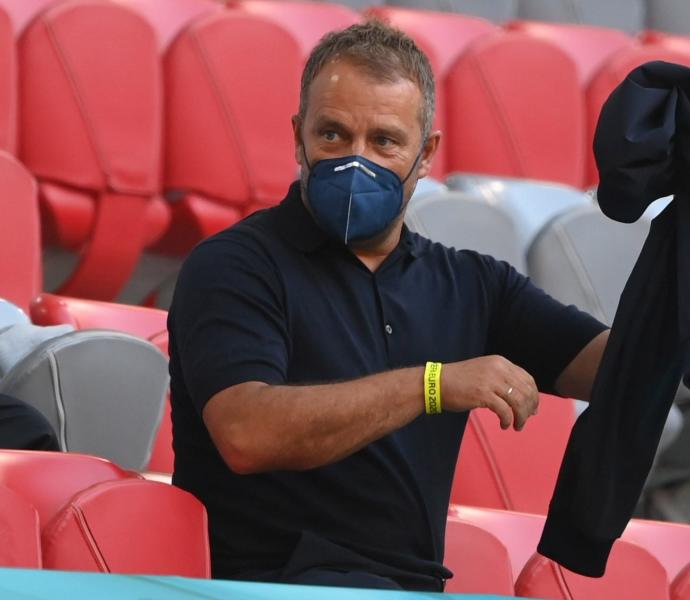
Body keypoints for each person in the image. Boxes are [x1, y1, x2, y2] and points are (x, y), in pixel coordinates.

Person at [168, 20, 609, 592]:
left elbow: (617, 370)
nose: (356, 161)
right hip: (264, 585)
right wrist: (433, 386)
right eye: (333, 135)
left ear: (425, 155)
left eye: (384, 142)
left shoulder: (472, 283)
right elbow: (247, 433)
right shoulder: (234, 265)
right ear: (298, 135)